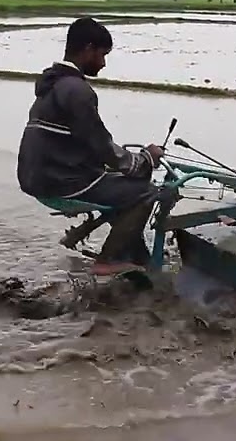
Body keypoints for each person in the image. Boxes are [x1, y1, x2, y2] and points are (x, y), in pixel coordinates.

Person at [17, 18, 166, 275]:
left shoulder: (51, 84)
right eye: (102, 54)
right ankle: (108, 260)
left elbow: (86, 140)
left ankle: (136, 254)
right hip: (62, 179)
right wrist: (144, 159)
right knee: (146, 192)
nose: (104, 63)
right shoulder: (78, 91)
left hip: (36, 176)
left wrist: (124, 164)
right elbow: (102, 147)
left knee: (122, 184)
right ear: (87, 49)